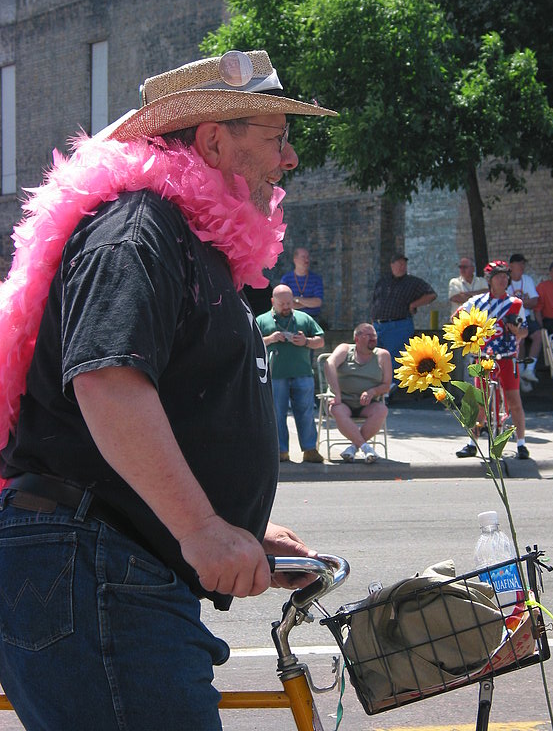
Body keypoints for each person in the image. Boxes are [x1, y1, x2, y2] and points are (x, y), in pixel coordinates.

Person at [0, 49, 337, 730]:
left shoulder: (177, 233)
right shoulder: (140, 227)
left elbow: (175, 404)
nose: (289, 159)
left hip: (112, 561)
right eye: (276, 137)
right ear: (214, 139)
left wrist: (237, 528)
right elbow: (108, 380)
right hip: (95, 564)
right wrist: (203, 527)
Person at [454, 260, 531, 460]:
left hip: (507, 358)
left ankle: (521, 443)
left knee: (514, 400)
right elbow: (456, 318)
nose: (503, 279)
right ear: (490, 280)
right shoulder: (476, 302)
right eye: (499, 276)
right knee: (479, 403)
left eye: (506, 276)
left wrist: (516, 331)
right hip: (483, 359)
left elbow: (524, 331)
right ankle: (472, 443)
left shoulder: (515, 304)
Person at [256, 284, 325, 463]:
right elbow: (252, 344)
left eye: (289, 302)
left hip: (303, 373)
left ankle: (310, 449)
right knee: (277, 414)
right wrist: (271, 339)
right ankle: (281, 451)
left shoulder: (305, 318)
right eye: (282, 304)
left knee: (306, 412)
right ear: (273, 301)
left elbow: (320, 341)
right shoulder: (262, 320)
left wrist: (306, 341)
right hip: (276, 375)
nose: (286, 306)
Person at [323, 324, 392, 463]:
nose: (372, 339)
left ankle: (354, 448)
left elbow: (386, 385)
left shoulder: (383, 355)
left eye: (374, 336)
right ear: (357, 338)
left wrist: (372, 392)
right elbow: (329, 364)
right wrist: (336, 394)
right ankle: (366, 448)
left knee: (382, 410)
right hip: (343, 401)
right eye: (368, 336)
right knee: (337, 410)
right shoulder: (345, 349)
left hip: (368, 403)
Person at [371, 253, 437, 379]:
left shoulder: (412, 282)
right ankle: (378, 387)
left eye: (404, 264)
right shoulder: (383, 282)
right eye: (399, 263)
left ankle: (391, 390)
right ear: (392, 265)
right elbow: (375, 302)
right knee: (376, 358)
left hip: (398, 325)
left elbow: (431, 295)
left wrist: (414, 304)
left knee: (395, 359)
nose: (402, 266)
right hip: (378, 326)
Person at [507, 253, 542, 387]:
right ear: (511, 266)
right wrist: (523, 301)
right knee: (519, 341)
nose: (522, 266)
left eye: (523, 263)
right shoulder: (506, 281)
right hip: (512, 318)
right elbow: (507, 304)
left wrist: (518, 302)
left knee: (538, 335)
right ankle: (520, 374)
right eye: (519, 263)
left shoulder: (527, 279)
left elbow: (534, 301)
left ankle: (529, 370)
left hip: (526, 316)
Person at [280, 247, 324, 319]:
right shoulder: (286, 279)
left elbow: (318, 302)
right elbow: (283, 303)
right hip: (291, 318)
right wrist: (308, 303)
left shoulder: (316, 279)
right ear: (295, 260)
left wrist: (297, 300)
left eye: (308, 257)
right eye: (303, 257)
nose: (306, 260)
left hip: (312, 318)